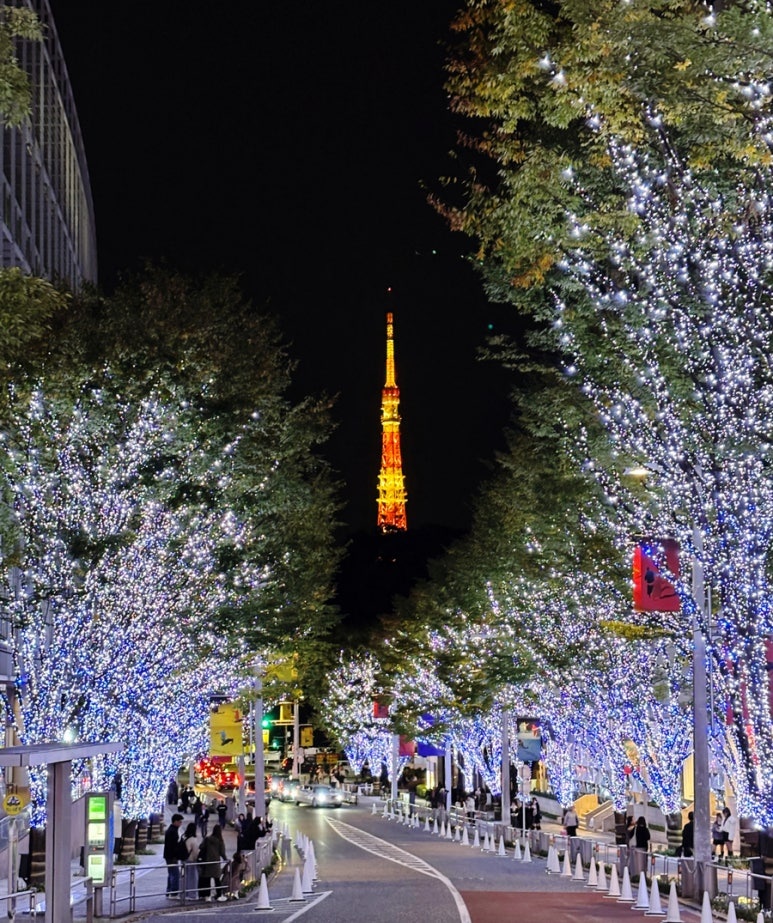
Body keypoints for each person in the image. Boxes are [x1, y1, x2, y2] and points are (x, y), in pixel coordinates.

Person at [198, 824, 228, 902]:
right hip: (216, 863)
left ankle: (207, 896)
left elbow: (201, 847)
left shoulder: (207, 839)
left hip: (207, 863)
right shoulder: (220, 841)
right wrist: (226, 859)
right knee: (217, 880)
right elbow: (222, 852)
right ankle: (218, 895)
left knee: (207, 880)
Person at [163, 813, 185, 898]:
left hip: (168, 855)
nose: (180, 824)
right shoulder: (173, 831)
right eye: (179, 822)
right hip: (171, 856)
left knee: (171, 873)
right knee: (175, 874)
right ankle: (174, 892)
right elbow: (173, 845)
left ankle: (169, 891)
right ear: (175, 821)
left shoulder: (171, 830)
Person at [181, 821, 200, 899]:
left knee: (184, 877)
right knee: (193, 878)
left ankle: (183, 893)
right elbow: (195, 852)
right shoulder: (193, 840)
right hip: (191, 860)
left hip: (183, 859)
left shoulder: (183, 837)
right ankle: (192, 894)